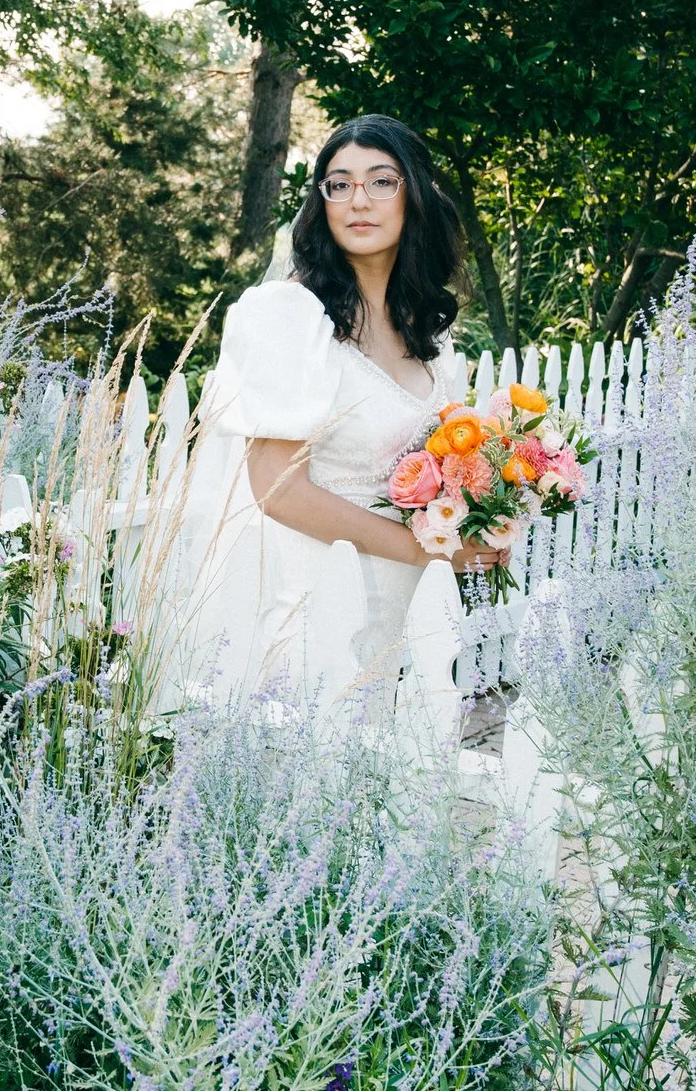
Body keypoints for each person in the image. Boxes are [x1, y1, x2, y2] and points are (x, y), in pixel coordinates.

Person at [172, 114, 506, 713]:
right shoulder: (290, 315)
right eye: (339, 184)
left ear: (414, 194)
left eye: (381, 181)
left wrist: (482, 522)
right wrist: (430, 549)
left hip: (401, 613)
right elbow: (277, 490)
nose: (359, 200)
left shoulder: (428, 332)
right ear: (321, 200)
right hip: (313, 600)